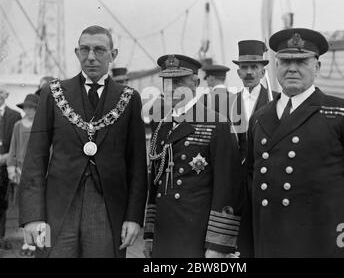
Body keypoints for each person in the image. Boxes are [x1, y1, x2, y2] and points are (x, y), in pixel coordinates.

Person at [247, 28, 344, 257]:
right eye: (284, 61)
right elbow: (250, 180)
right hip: (269, 237)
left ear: (317, 67)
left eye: (302, 61)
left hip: (324, 238)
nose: (292, 68)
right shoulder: (260, 117)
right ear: (276, 67)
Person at [19, 25, 148, 258]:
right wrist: (32, 216)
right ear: (77, 53)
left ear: (113, 54)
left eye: (99, 50)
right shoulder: (53, 93)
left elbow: (138, 165)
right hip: (56, 211)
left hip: (108, 210)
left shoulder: (129, 99)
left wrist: (133, 217)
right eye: (84, 50)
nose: (91, 57)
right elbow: (35, 158)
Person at [143, 54, 243, 258]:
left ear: (196, 83)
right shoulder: (161, 125)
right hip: (164, 233)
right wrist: (150, 234)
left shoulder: (217, 124)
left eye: (179, 81)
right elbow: (155, 184)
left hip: (197, 234)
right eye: (167, 81)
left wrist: (218, 244)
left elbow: (228, 187)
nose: (171, 88)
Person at [231, 40, 277, 258]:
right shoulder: (227, 103)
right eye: (245, 68)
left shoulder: (277, 101)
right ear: (238, 71)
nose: (249, 72)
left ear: (263, 70)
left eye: (254, 67)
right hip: (238, 184)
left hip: (269, 182)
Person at [7, 94, 39, 256]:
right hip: (21, 173)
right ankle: (27, 242)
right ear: (24, 109)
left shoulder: (41, 126)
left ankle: (37, 243)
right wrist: (11, 168)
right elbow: (13, 148)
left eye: (33, 108)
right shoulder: (18, 126)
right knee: (24, 210)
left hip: (38, 174)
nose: (30, 111)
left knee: (38, 209)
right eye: (27, 107)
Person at [0, 85, 21, 251]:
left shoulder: (14, 115)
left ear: (6, 95)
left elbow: (17, 142)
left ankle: (1, 238)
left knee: (3, 203)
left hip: (4, 168)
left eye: (0, 92)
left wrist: (7, 158)